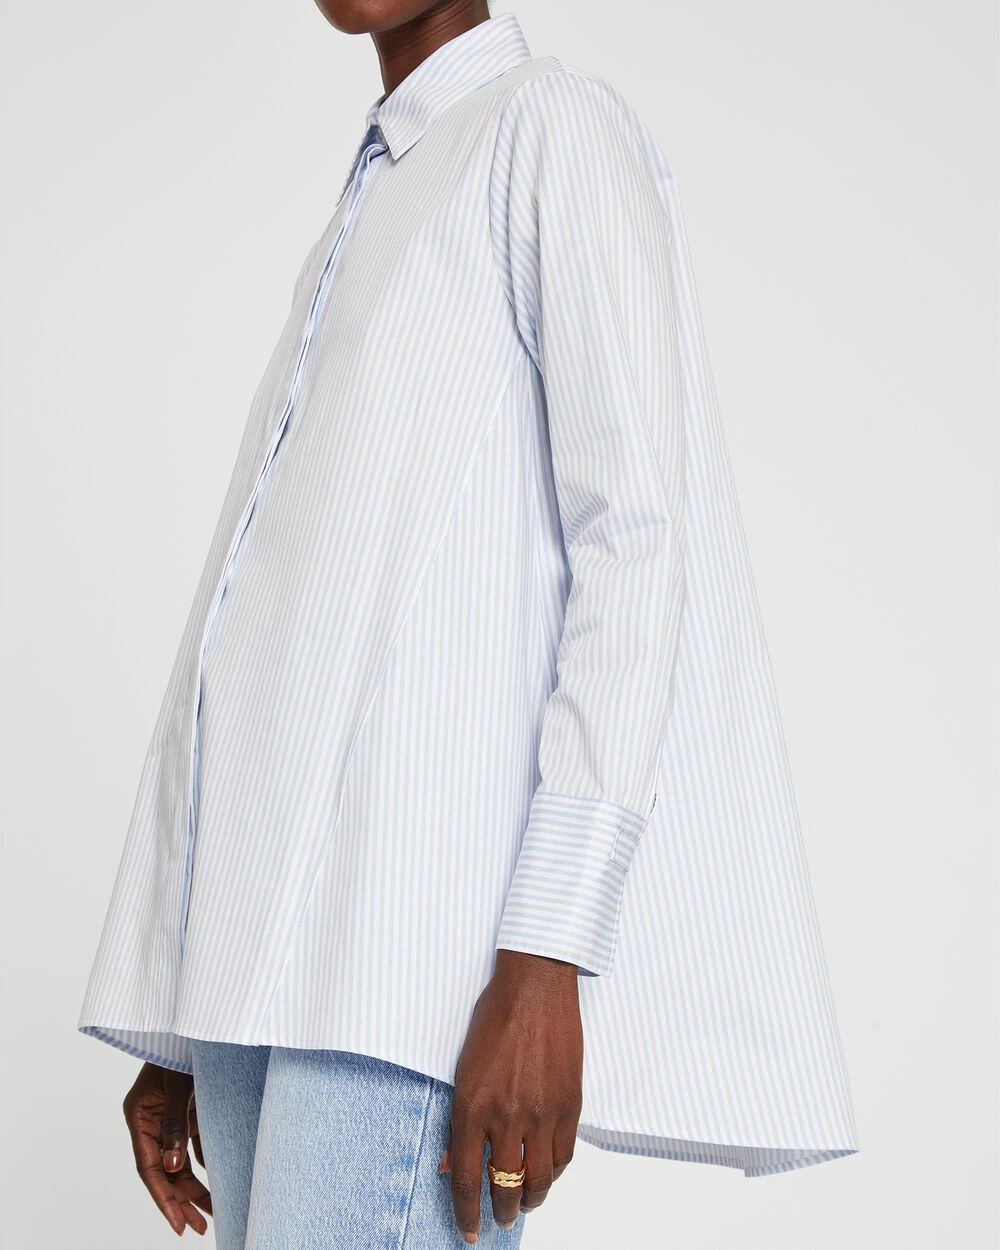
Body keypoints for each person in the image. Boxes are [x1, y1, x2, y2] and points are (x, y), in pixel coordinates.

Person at [78, 3, 860, 1246]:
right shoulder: (375, 193)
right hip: (265, 981)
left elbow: (638, 544)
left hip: (411, 978)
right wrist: (185, 1009)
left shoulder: (548, 128)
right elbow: (282, 616)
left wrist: (549, 953)